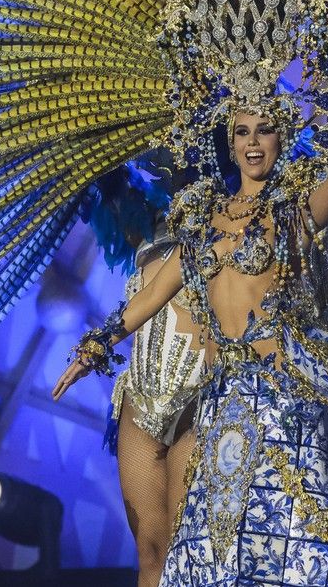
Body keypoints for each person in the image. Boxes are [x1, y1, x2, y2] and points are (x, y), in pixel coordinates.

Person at [54, 66, 328, 585]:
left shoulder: (290, 216)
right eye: (242, 131)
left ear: (280, 140)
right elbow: (153, 296)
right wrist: (94, 347)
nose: (252, 143)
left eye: (264, 130)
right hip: (221, 400)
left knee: (289, 546)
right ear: (230, 143)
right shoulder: (203, 223)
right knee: (212, 547)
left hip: (281, 404)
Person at [107, 232, 205, 587]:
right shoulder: (147, 212)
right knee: (150, 554)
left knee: (187, 553)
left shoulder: (239, 214)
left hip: (199, 404)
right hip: (141, 400)